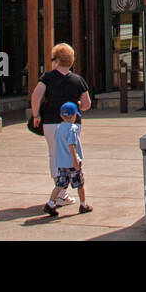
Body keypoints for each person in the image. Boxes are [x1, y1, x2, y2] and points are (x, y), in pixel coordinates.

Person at [30, 43, 92, 206]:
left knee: (54, 155)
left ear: (56, 60)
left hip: (51, 122)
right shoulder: (78, 80)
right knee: (73, 153)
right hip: (73, 123)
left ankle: (59, 191)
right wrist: (77, 105)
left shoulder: (47, 78)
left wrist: (36, 115)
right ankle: (64, 193)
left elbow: (36, 96)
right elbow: (87, 104)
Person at [43, 102, 91, 216]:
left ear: (61, 116)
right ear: (74, 115)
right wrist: (76, 161)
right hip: (72, 162)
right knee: (80, 184)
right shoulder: (72, 129)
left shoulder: (59, 128)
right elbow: (71, 146)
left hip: (61, 163)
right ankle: (83, 205)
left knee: (60, 184)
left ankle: (50, 204)